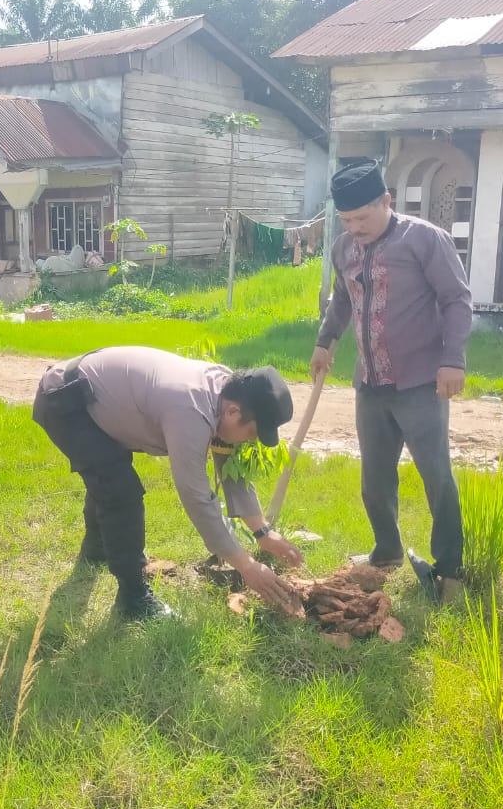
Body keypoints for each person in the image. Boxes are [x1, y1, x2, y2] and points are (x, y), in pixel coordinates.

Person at [33, 346, 304, 620]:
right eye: (252, 433)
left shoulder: (228, 393)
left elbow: (230, 467)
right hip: (66, 402)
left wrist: (262, 533)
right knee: (119, 490)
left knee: (108, 475)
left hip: (95, 400)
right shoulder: (191, 410)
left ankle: (96, 551)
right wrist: (246, 565)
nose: (250, 440)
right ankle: (134, 599)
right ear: (234, 412)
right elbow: (196, 497)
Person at [310, 158, 473, 603]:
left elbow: (457, 300)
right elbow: (341, 299)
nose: (355, 227)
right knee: (375, 478)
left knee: (436, 476)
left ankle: (451, 572)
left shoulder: (424, 240)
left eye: (362, 217)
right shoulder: (343, 248)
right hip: (370, 383)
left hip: (421, 383)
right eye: (347, 219)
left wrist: (452, 360)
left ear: (387, 201)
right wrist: (326, 341)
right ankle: (387, 553)